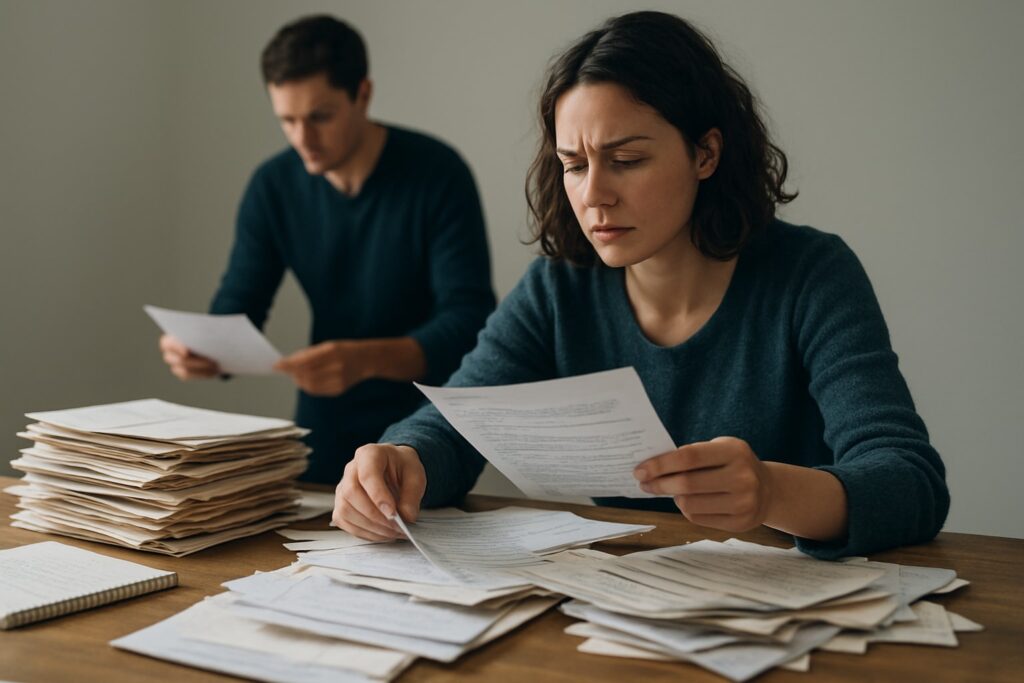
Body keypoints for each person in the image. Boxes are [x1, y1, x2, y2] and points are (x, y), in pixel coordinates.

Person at [331, 11, 950, 559]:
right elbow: (451, 427)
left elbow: (909, 480)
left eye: (626, 160)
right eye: (573, 165)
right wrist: (397, 460)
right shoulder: (558, 288)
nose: (594, 194)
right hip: (619, 599)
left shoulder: (810, 275)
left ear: (705, 154)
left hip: (782, 611)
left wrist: (771, 491)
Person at [158, 15, 495, 484]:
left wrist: (365, 360)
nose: (302, 139)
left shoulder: (437, 173)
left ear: (363, 94)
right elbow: (240, 306)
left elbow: (470, 323)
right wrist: (202, 350)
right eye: (287, 120)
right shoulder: (273, 185)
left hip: (427, 427)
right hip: (324, 420)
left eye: (319, 117)